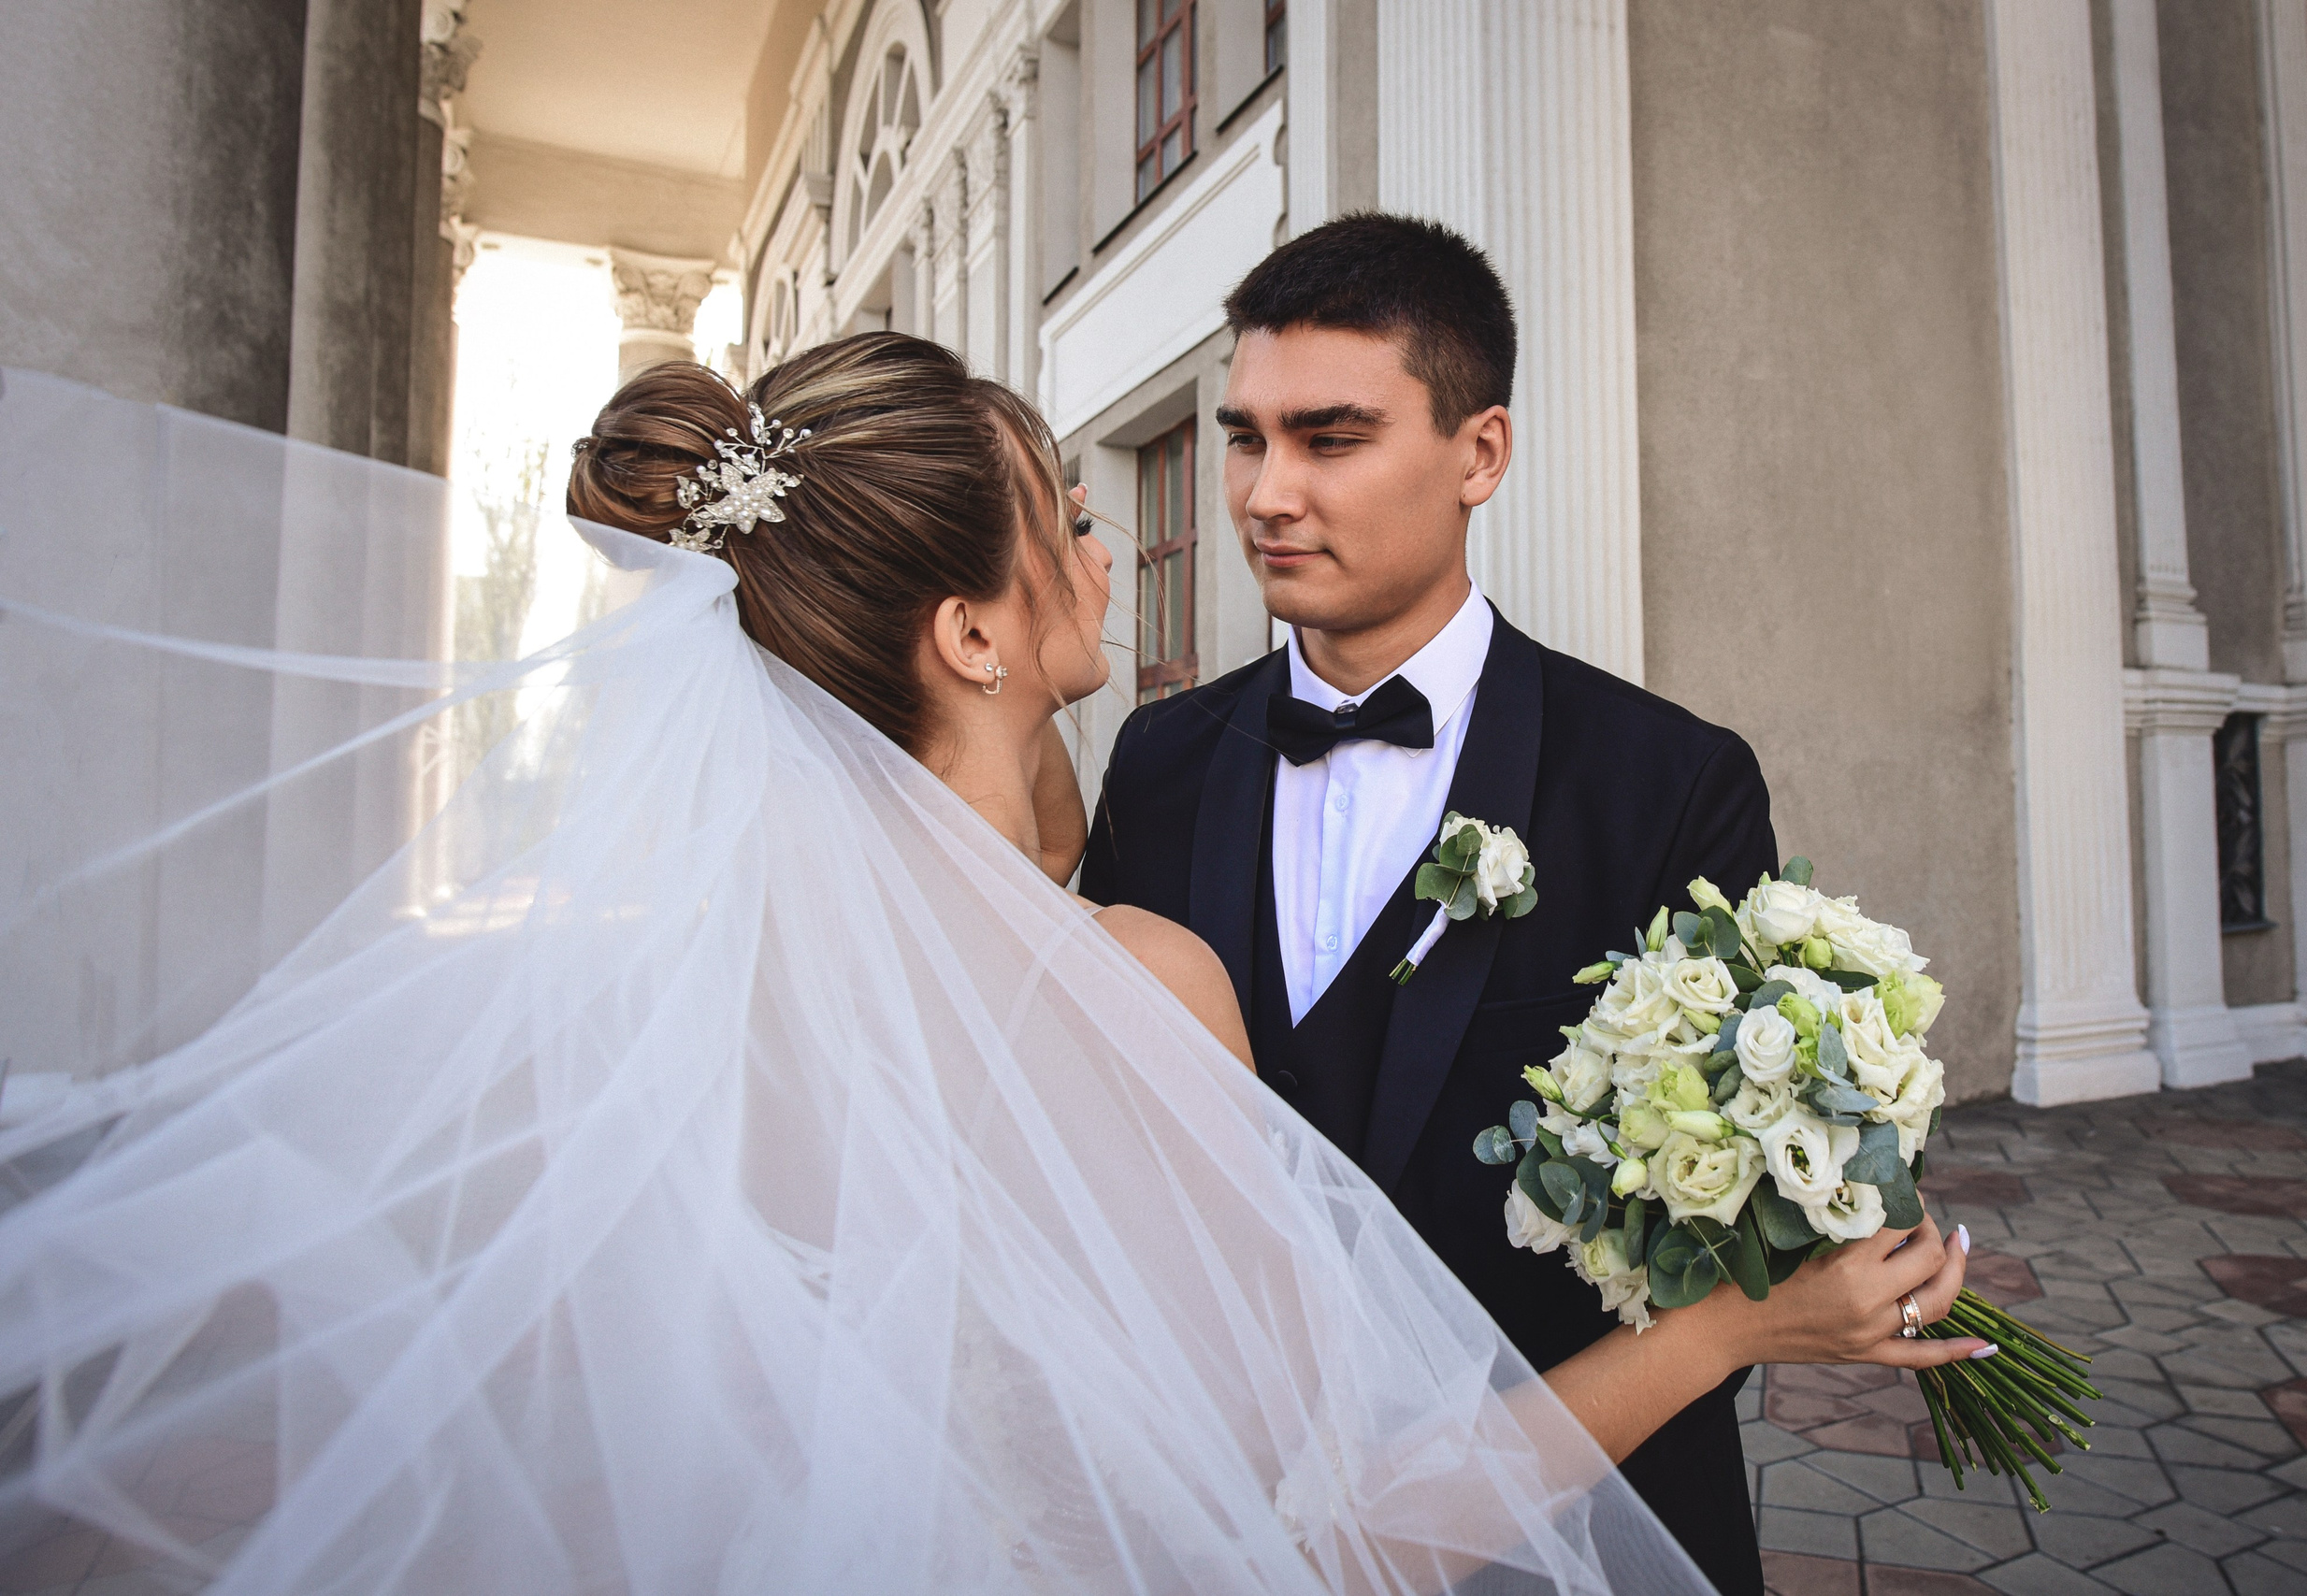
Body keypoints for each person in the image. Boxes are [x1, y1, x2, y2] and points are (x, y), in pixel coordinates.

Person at [0, 338, 1980, 1596]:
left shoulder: (642, 992)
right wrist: (1732, 1329)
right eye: (1060, 518)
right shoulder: (1124, 980)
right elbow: (1351, 1532)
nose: (1115, 554)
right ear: (966, 628)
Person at [1076, 213, 1922, 1595]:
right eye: (1246, 437)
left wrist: (1846, 1210)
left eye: (1329, 438)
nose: (1263, 495)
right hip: (1241, 1515)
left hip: (1581, 1520)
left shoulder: (1667, 780)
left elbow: (1744, 1168)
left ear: (1481, 453)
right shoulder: (1160, 765)